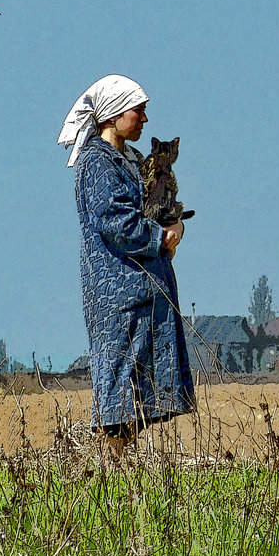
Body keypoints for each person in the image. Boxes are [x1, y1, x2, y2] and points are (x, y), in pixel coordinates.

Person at [58, 75, 195, 456]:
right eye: (139, 111)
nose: (145, 120)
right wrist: (159, 237)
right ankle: (108, 475)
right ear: (114, 114)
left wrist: (176, 223)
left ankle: (116, 475)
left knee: (136, 397)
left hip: (141, 293)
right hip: (119, 297)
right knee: (120, 395)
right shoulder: (97, 164)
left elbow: (149, 209)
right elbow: (117, 222)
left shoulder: (129, 160)